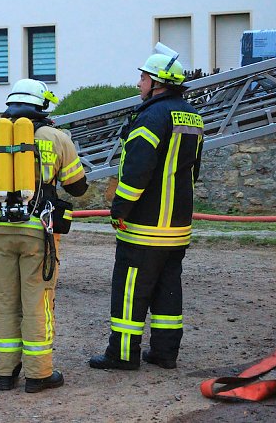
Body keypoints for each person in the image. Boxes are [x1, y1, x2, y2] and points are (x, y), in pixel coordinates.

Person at [0, 79, 88, 393]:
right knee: (37, 303)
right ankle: (38, 374)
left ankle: (5, 374)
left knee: (6, 303)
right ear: (41, 105)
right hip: (38, 233)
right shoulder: (56, 137)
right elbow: (78, 186)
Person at [88, 45, 203, 371]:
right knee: (168, 289)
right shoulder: (192, 116)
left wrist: (120, 208)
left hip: (144, 227)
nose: (139, 83)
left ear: (158, 82)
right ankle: (165, 353)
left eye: (143, 77)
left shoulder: (150, 118)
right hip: (178, 226)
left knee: (130, 290)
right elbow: (194, 170)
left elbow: (137, 172)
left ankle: (122, 354)